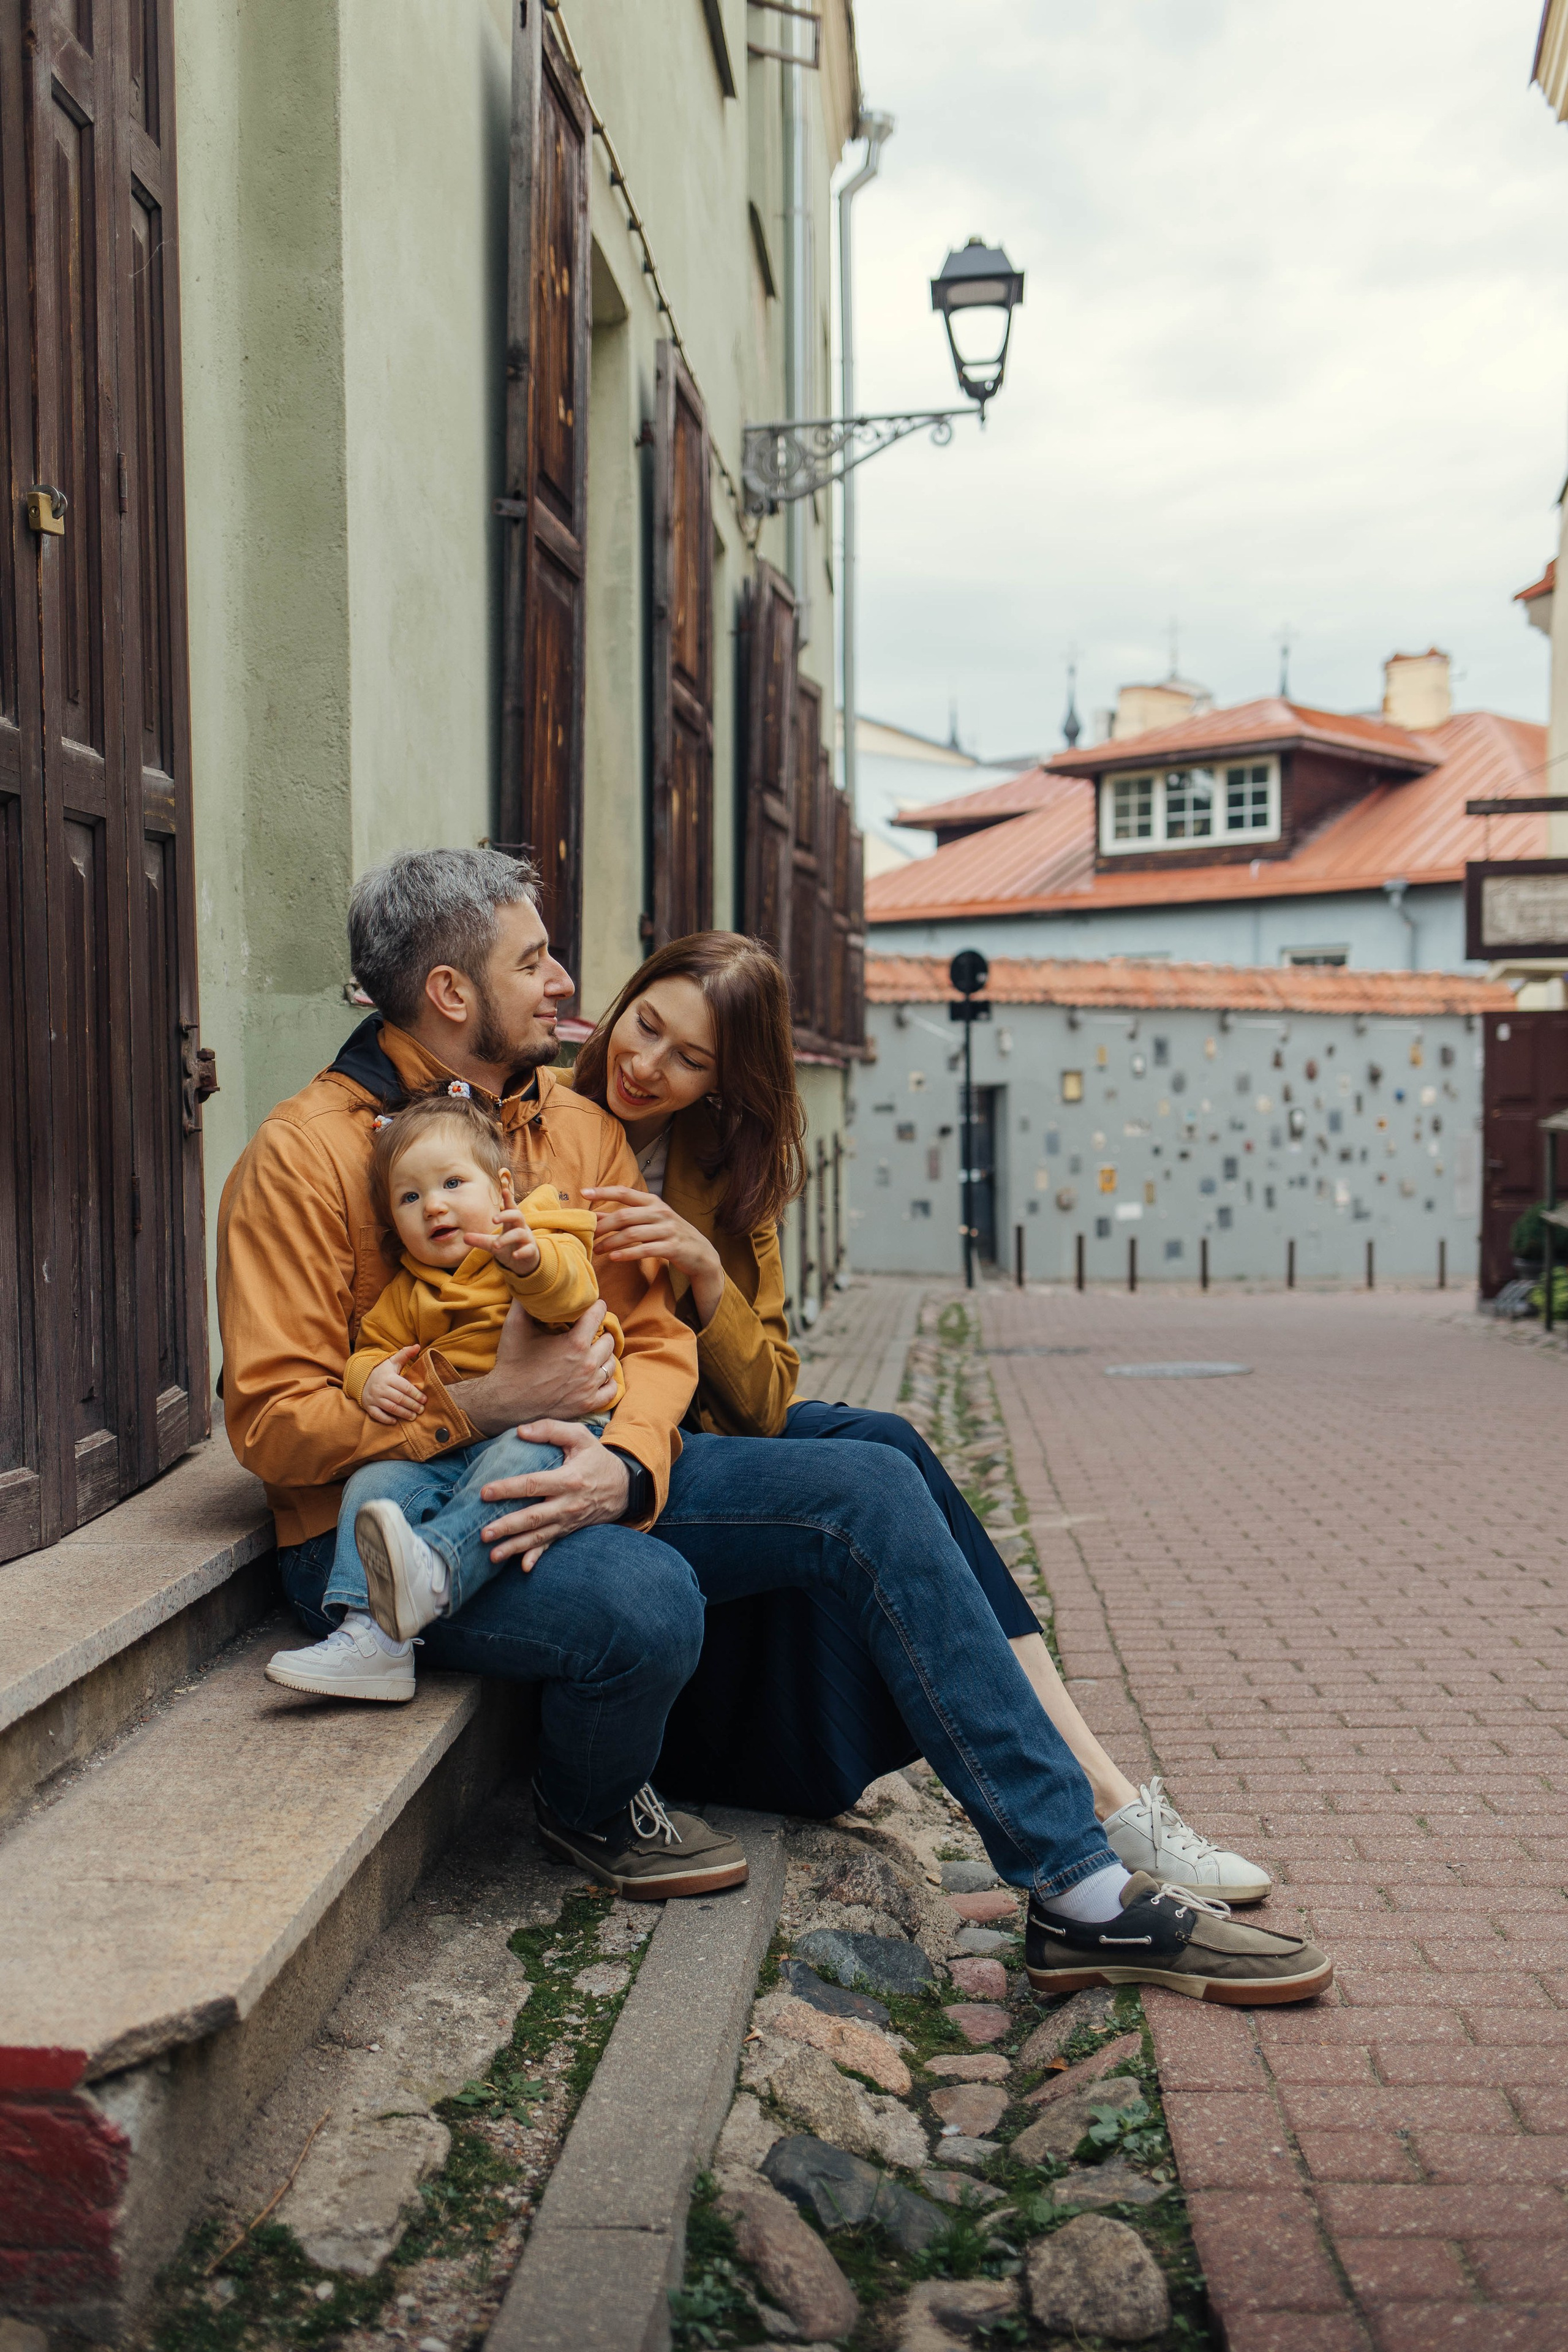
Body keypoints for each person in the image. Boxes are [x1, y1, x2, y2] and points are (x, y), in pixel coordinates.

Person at [224, 851, 1330, 2002]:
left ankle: (1080, 1889)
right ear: (454, 994)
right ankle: (586, 1805)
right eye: (534, 956)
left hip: (579, 1470)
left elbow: (653, 1343)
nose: (562, 981)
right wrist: (484, 1404)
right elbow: (268, 1424)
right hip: (377, 1539)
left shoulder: (572, 1131)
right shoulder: (300, 1157)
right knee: (645, 1605)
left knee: (871, 1480)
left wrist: (628, 1465)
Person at [571, 931, 1272, 1905]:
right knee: (875, 1464)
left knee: (890, 1440)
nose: (647, 1066)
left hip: (706, 1445)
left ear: (730, 1080)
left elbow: (768, 1396)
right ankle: (1098, 1814)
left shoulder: (722, 1167)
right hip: (611, 1458)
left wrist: (701, 1272)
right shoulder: (537, 1123)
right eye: (645, 1026)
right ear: (626, 998)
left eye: (691, 1059)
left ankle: (1102, 1794)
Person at [265, 1088, 625, 1685]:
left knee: (520, 1459)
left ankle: (435, 1569)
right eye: (410, 1197)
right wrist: (372, 1376)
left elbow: (572, 1296)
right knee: (375, 1482)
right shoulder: (411, 1292)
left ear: (502, 1191)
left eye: (453, 1184)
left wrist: (528, 1263)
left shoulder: (541, 1238)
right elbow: (373, 1349)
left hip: (550, 1431)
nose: (433, 1206)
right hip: (452, 1451)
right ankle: (369, 1637)